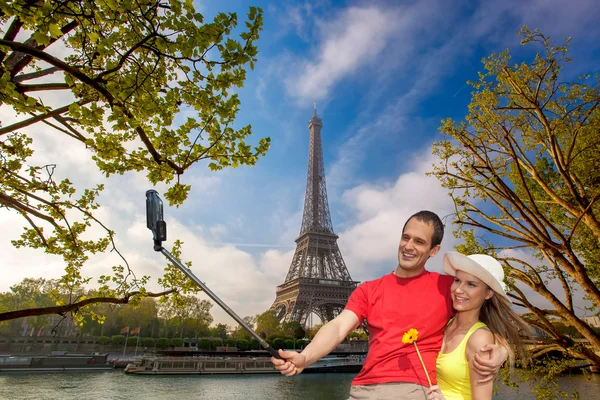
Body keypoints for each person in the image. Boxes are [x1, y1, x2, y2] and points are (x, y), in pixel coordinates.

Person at [272, 211, 508, 400]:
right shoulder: (368, 289)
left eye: (419, 241)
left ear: (434, 250)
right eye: (406, 237)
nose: (408, 246)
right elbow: (338, 327)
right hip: (362, 389)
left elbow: (484, 317)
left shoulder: (447, 287)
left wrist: (501, 350)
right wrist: (306, 357)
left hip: (411, 390)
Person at [426, 252, 530, 400]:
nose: (459, 290)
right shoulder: (446, 323)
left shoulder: (480, 339)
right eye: (457, 280)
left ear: (488, 294)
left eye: (471, 284)